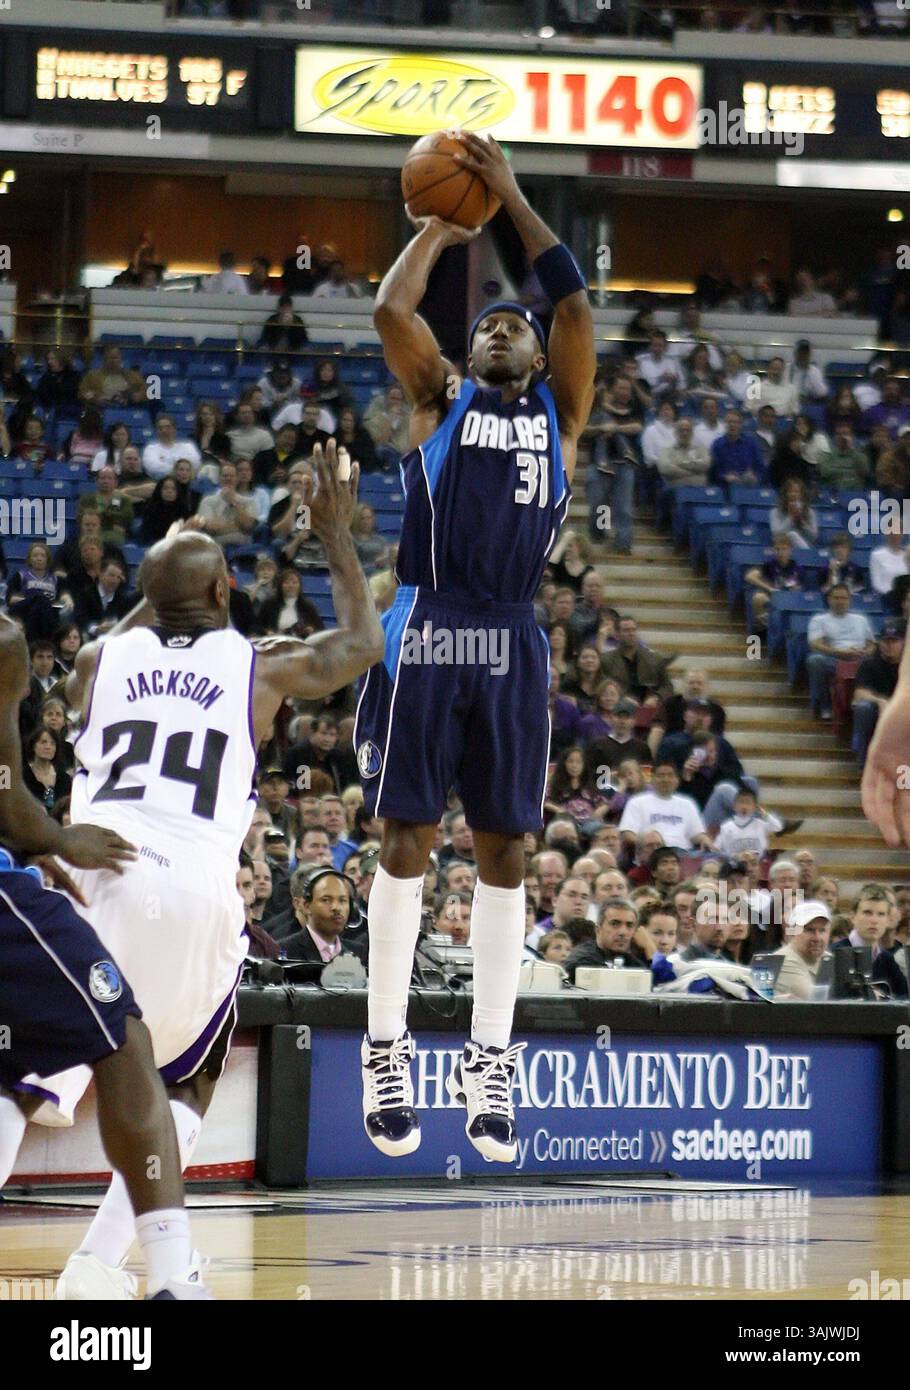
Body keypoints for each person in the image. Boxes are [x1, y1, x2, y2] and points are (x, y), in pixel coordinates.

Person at [27, 442, 383, 1299]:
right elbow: (364, 644)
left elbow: (118, 647)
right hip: (192, 892)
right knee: (184, 1076)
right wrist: (335, 538)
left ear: (144, 603)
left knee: (21, 1078)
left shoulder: (92, 663)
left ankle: (97, 1269)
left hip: (89, 883)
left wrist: (151, 589)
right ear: (226, 592)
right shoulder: (258, 662)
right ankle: (100, 1267)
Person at [355, 130, 595, 1163]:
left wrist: (510, 193)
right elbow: (389, 312)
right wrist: (443, 230)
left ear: (538, 357)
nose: (500, 329)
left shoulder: (563, 409)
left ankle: (490, 1059)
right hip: (431, 618)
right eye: (488, 325)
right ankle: (383, 1046)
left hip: (510, 634)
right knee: (404, 839)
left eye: (514, 325)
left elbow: (576, 302)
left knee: (506, 852)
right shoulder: (436, 399)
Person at [0, 612, 212, 1300]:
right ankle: (169, 1276)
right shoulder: (5, 645)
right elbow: (11, 805)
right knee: (125, 1038)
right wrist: (60, 839)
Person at [807, 583, 876, 720]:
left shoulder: (861, 619)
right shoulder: (819, 620)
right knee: (814, 660)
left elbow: (872, 643)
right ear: (829, 599)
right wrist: (839, 652)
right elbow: (815, 645)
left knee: (878, 660)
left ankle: (870, 706)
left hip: (860, 660)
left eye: (844, 598)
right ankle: (825, 707)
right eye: (836, 598)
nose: (840, 601)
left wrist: (866, 652)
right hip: (835, 660)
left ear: (850, 600)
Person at [618, 759, 712, 852]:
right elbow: (627, 833)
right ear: (652, 779)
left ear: (677, 780)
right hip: (652, 854)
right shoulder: (637, 802)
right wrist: (647, 845)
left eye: (670, 776)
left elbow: (696, 834)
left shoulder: (687, 804)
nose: (666, 780)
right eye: (661, 776)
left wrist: (705, 840)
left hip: (683, 854)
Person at [563, 897, 649, 982]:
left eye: (629, 925)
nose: (623, 932)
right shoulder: (581, 963)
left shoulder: (636, 966)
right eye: (615, 924)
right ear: (598, 929)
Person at [772, 900, 833, 1000]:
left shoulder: (828, 958)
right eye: (809, 930)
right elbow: (816, 1001)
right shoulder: (782, 961)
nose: (817, 938)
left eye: (822, 930)